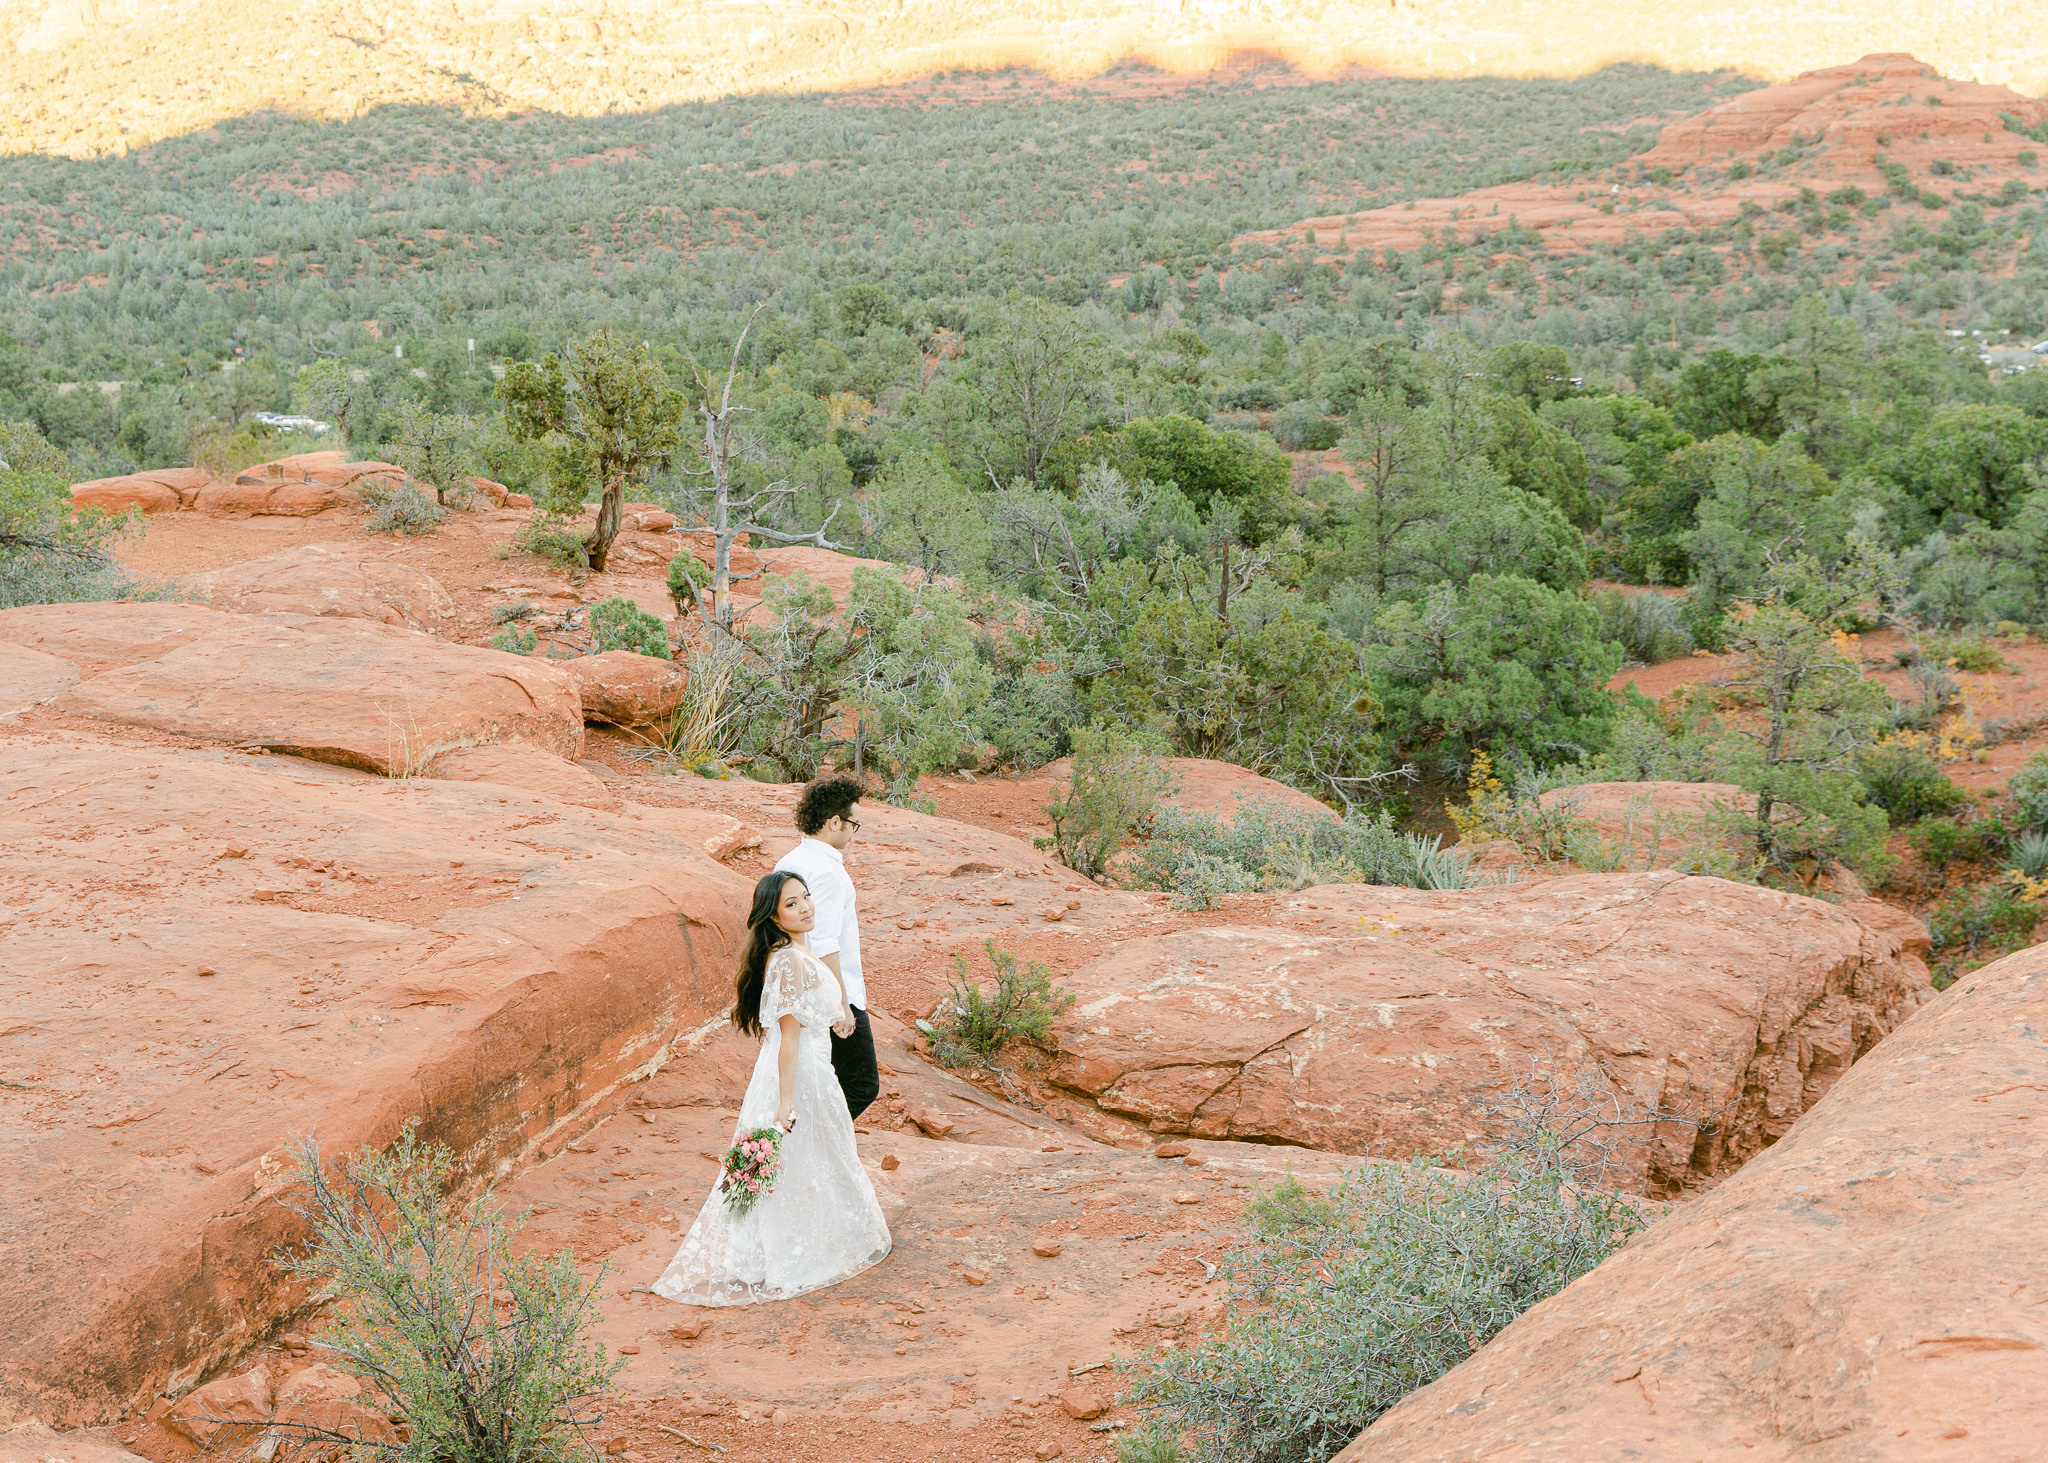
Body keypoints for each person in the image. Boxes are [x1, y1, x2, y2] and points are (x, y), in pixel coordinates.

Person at [652, 871, 891, 1305]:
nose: (806, 908)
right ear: (775, 916)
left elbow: (808, 1019)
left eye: (806, 898)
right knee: (807, 1154)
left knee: (814, 1155)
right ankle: (786, 1254)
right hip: (802, 1074)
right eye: (792, 904)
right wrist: (785, 1103)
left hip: (817, 1066)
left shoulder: (799, 954)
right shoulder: (787, 960)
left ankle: (805, 1240)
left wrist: (835, 1019)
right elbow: (788, 1037)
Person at [772, 773, 880, 1120]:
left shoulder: (789, 861)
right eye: (853, 823)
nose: (853, 832)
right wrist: (842, 1004)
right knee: (862, 1083)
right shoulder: (828, 873)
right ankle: (815, 1144)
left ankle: (805, 1142)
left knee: (810, 1077)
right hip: (829, 992)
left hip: (793, 987)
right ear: (835, 822)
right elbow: (826, 940)